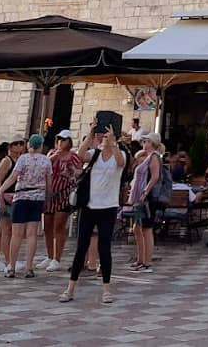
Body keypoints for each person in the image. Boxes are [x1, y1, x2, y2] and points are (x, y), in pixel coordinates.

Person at [60, 124, 126, 306]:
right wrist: (89, 136)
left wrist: (113, 143)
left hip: (108, 206)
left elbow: (121, 163)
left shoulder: (119, 155)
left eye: (106, 137)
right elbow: (79, 156)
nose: (103, 139)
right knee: (81, 246)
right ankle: (70, 288)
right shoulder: (94, 155)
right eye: (101, 137)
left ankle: (106, 289)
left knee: (105, 247)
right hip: (89, 206)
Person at [0, 133, 51, 278]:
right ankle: (29, 267)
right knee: (31, 235)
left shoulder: (23, 159)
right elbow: (49, 183)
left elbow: (12, 178)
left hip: (21, 197)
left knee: (16, 234)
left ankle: (11, 266)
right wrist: (47, 198)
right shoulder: (46, 161)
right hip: (37, 198)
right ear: (41, 146)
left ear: (29, 145)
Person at [40, 130, 81, 272]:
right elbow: (43, 168)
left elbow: (78, 172)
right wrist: (52, 158)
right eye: (59, 139)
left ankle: (57, 258)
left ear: (69, 141)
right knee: (47, 226)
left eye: (63, 139)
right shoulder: (51, 153)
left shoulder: (73, 156)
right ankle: (50, 256)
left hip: (63, 193)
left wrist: (69, 172)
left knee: (59, 225)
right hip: (50, 193)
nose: (60, 142)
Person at [0, 139, 25, 273]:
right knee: (6, 231)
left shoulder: (17, 160)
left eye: (21, 144)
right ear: (10, 146)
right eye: (16, 144)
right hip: (4, 199)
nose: (19, 146)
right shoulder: (7, 161)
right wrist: (1, 200)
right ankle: (9, 260)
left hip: (11, 198)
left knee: (1, 231)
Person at [127, 132, 163, 273]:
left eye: (146, 141)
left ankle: (147, 261)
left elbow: (154, 177)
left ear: (152, 143)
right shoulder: (147, 157)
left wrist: (145, 192)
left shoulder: (154, 157)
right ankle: (140, 258)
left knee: (147, 229)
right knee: (138, 228)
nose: (144, 144)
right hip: (139, 197)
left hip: (147, 198)